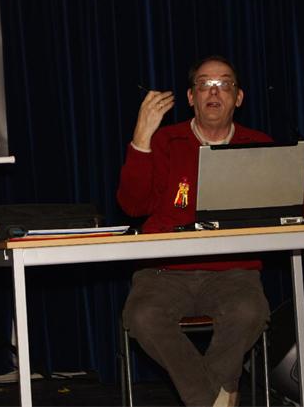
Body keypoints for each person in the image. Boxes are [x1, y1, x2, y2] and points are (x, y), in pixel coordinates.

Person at [117, 56, 273, 407]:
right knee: (142, 316)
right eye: (204, 84)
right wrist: (141, 137)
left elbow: (296, 204)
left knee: (249, 312)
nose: (213, 92)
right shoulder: (164, 141)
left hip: (234, 272)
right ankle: (215, 399)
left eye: (224, 84)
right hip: (164, 271)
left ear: (238, 97)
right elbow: (132, 205)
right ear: (191, 97)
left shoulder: (257, 144)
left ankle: (207, 398)